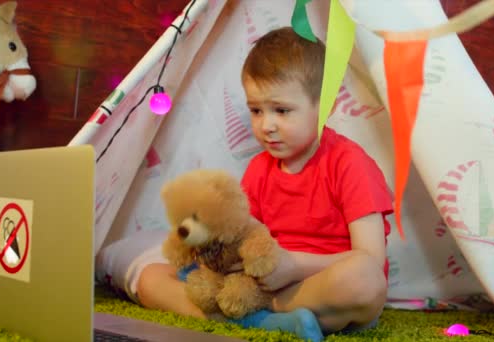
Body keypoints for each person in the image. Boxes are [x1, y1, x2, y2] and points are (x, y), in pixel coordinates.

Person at [136, 27, 393, 341]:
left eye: (281, 111)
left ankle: (251, 316)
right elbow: (241, 235)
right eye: (256, 110)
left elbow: (371, 259)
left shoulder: (350, 164)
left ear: (326, 103)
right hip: (259, 285)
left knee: (363, 279)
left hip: (317, 286)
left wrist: (293, 265)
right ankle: (266, 321)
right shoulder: (259, 169)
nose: (266, 126)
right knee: (151, 279)